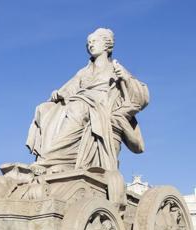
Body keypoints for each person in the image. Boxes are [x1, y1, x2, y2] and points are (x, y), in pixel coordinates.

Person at [26, 27, 149, 174]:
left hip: (100, 107)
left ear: (107, 45)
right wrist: (58, 94)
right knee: (44, 108)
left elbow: (142, 97)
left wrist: (125, 77)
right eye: (89, 42)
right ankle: (53, 159)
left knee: (78, 107)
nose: (90, 44)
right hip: (81, 101)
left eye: (94, 41)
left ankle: (51, 159)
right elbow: (70, 88)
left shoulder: (115, 69)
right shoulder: (83, 72)